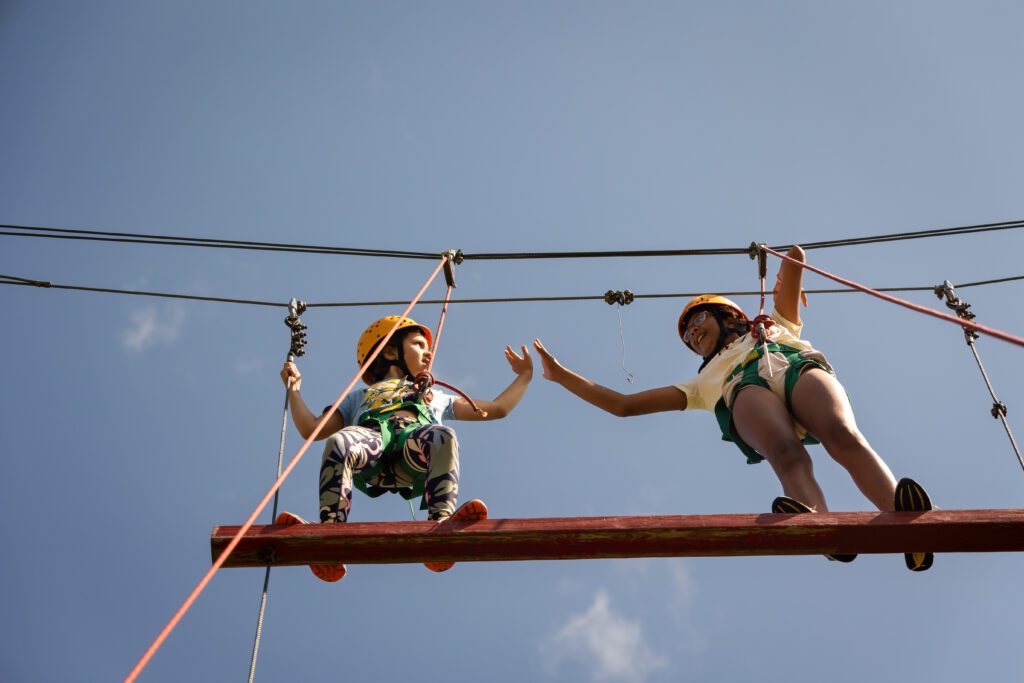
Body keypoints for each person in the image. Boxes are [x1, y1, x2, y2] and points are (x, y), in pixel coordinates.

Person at [532, 245, 934, 571]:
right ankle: (817, 522)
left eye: (698, 321)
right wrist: (561, 375)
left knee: (842, 434)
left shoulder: (775, 323)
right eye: (688, 337)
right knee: (786, 453)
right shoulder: (701, 383)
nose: (693, 334)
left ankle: (901, 516)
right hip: (744, 389)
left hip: (794, 366)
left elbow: (796, 257)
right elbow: (623, 405)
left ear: (728, 316)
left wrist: (781, 273)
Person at [279, 315, 534, 581]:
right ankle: (330, 531)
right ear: (391, 352)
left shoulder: (433, 396)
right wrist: (294, 390)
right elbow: (312, 429)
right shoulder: (359, 397)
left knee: (443, 436)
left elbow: (497, 409)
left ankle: (441, 524)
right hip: (372, 449)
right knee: (340, 440)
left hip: (413, 451)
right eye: (419, 344)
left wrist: (524, 377)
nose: (428, 353)